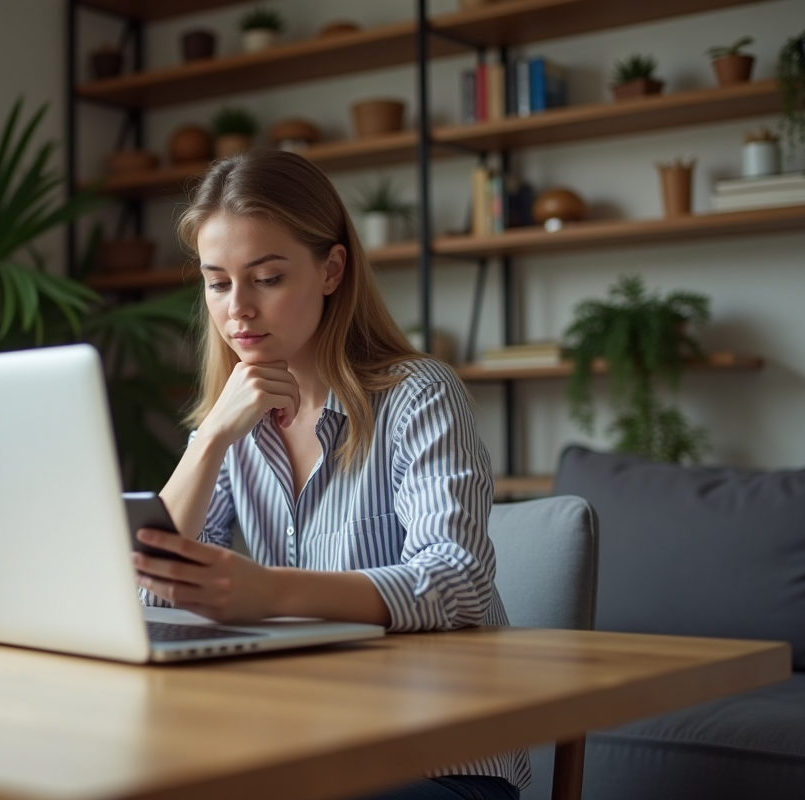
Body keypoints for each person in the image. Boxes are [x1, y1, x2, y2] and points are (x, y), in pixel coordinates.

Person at [132, 149, 528, 800]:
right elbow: (148, 594)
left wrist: (270, 592)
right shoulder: (237, 421)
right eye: (218, 282)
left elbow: (456, 580)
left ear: (331, 269)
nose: (238, 311)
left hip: (438, 757)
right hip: (298, 742)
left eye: (266, 278)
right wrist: (209, 442)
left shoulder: (418, 396)